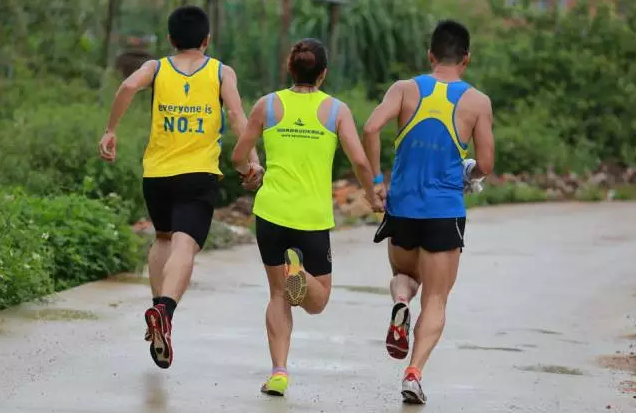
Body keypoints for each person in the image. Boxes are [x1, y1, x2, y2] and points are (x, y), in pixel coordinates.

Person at [98, 6, 262, 370]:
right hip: (198, 174)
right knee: (185, 244)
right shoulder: (221, 71)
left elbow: (127, 86)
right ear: (207, 39)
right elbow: (237, 115)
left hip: (157, 174)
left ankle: (157, 310)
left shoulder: (156, 67)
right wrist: (252, 160)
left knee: (162, 238)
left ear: (171, 39)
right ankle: (165, 311)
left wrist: (110, 130)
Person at [231, 38, 383, 396]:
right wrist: (371, 191)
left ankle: (279, 372)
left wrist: (252, 171)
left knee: (277, 295)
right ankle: (297, 272)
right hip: (311, 217)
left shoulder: (267, 105)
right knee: (318, 300)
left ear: (290, 68)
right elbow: (360, 161)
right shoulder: (336, 110)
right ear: (323, 74)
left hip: (270, 212)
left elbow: (238, 156)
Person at [362, 20, 494, 404]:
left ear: (430, 55)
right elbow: (486, 164)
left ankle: (401, 303)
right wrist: (469, 172)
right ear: (466, 59)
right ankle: (414, 373)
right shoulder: (477, 102)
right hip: (443, 213)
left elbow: (370, 128)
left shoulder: (404, 89)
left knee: (404, 276)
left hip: (402, 208)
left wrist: (376, 181)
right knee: (436, 299)